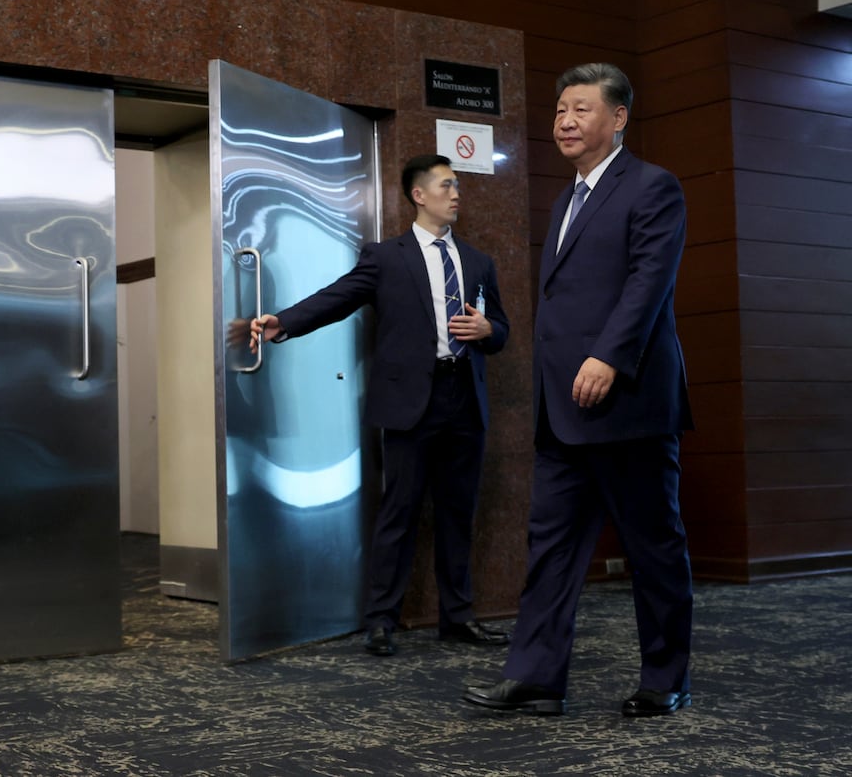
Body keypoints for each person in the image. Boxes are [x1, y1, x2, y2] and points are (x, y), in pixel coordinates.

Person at [463, 62, 694, 718]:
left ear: (618, 117)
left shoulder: (653, 187)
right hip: (561, 410)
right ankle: (537, 676)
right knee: (551, 548)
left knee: (653, 546)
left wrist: (609, 358)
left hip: (626, 403)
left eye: (581, 108)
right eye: (560, 109)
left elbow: (648, 281)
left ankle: (666, 676)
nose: (564, 120)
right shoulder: (565, 199)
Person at [250, 154, 510, 657]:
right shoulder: (387, 257)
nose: (456, 194)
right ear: (419, 194)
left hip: (465, 399)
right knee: (400, 510)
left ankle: (457, 617)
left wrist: (489, 330)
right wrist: (284, 321)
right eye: (446, 185)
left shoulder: (478, 262)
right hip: (412, 400)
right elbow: (338, 296)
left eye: (457, 185)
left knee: (459, 513)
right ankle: (382, 620)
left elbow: (500, 329)